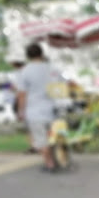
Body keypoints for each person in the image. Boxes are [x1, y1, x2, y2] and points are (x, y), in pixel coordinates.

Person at [16, 43, 63, 172]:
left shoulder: (24, 72)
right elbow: (60, 86)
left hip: (34, 111)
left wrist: (21, 112)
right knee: (55, 136)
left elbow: (22, 95)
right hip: (53, 108)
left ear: (27, 56)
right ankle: (60, 158)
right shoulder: (52, 69)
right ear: (42, 54)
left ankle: (50, 164)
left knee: (41, 139)